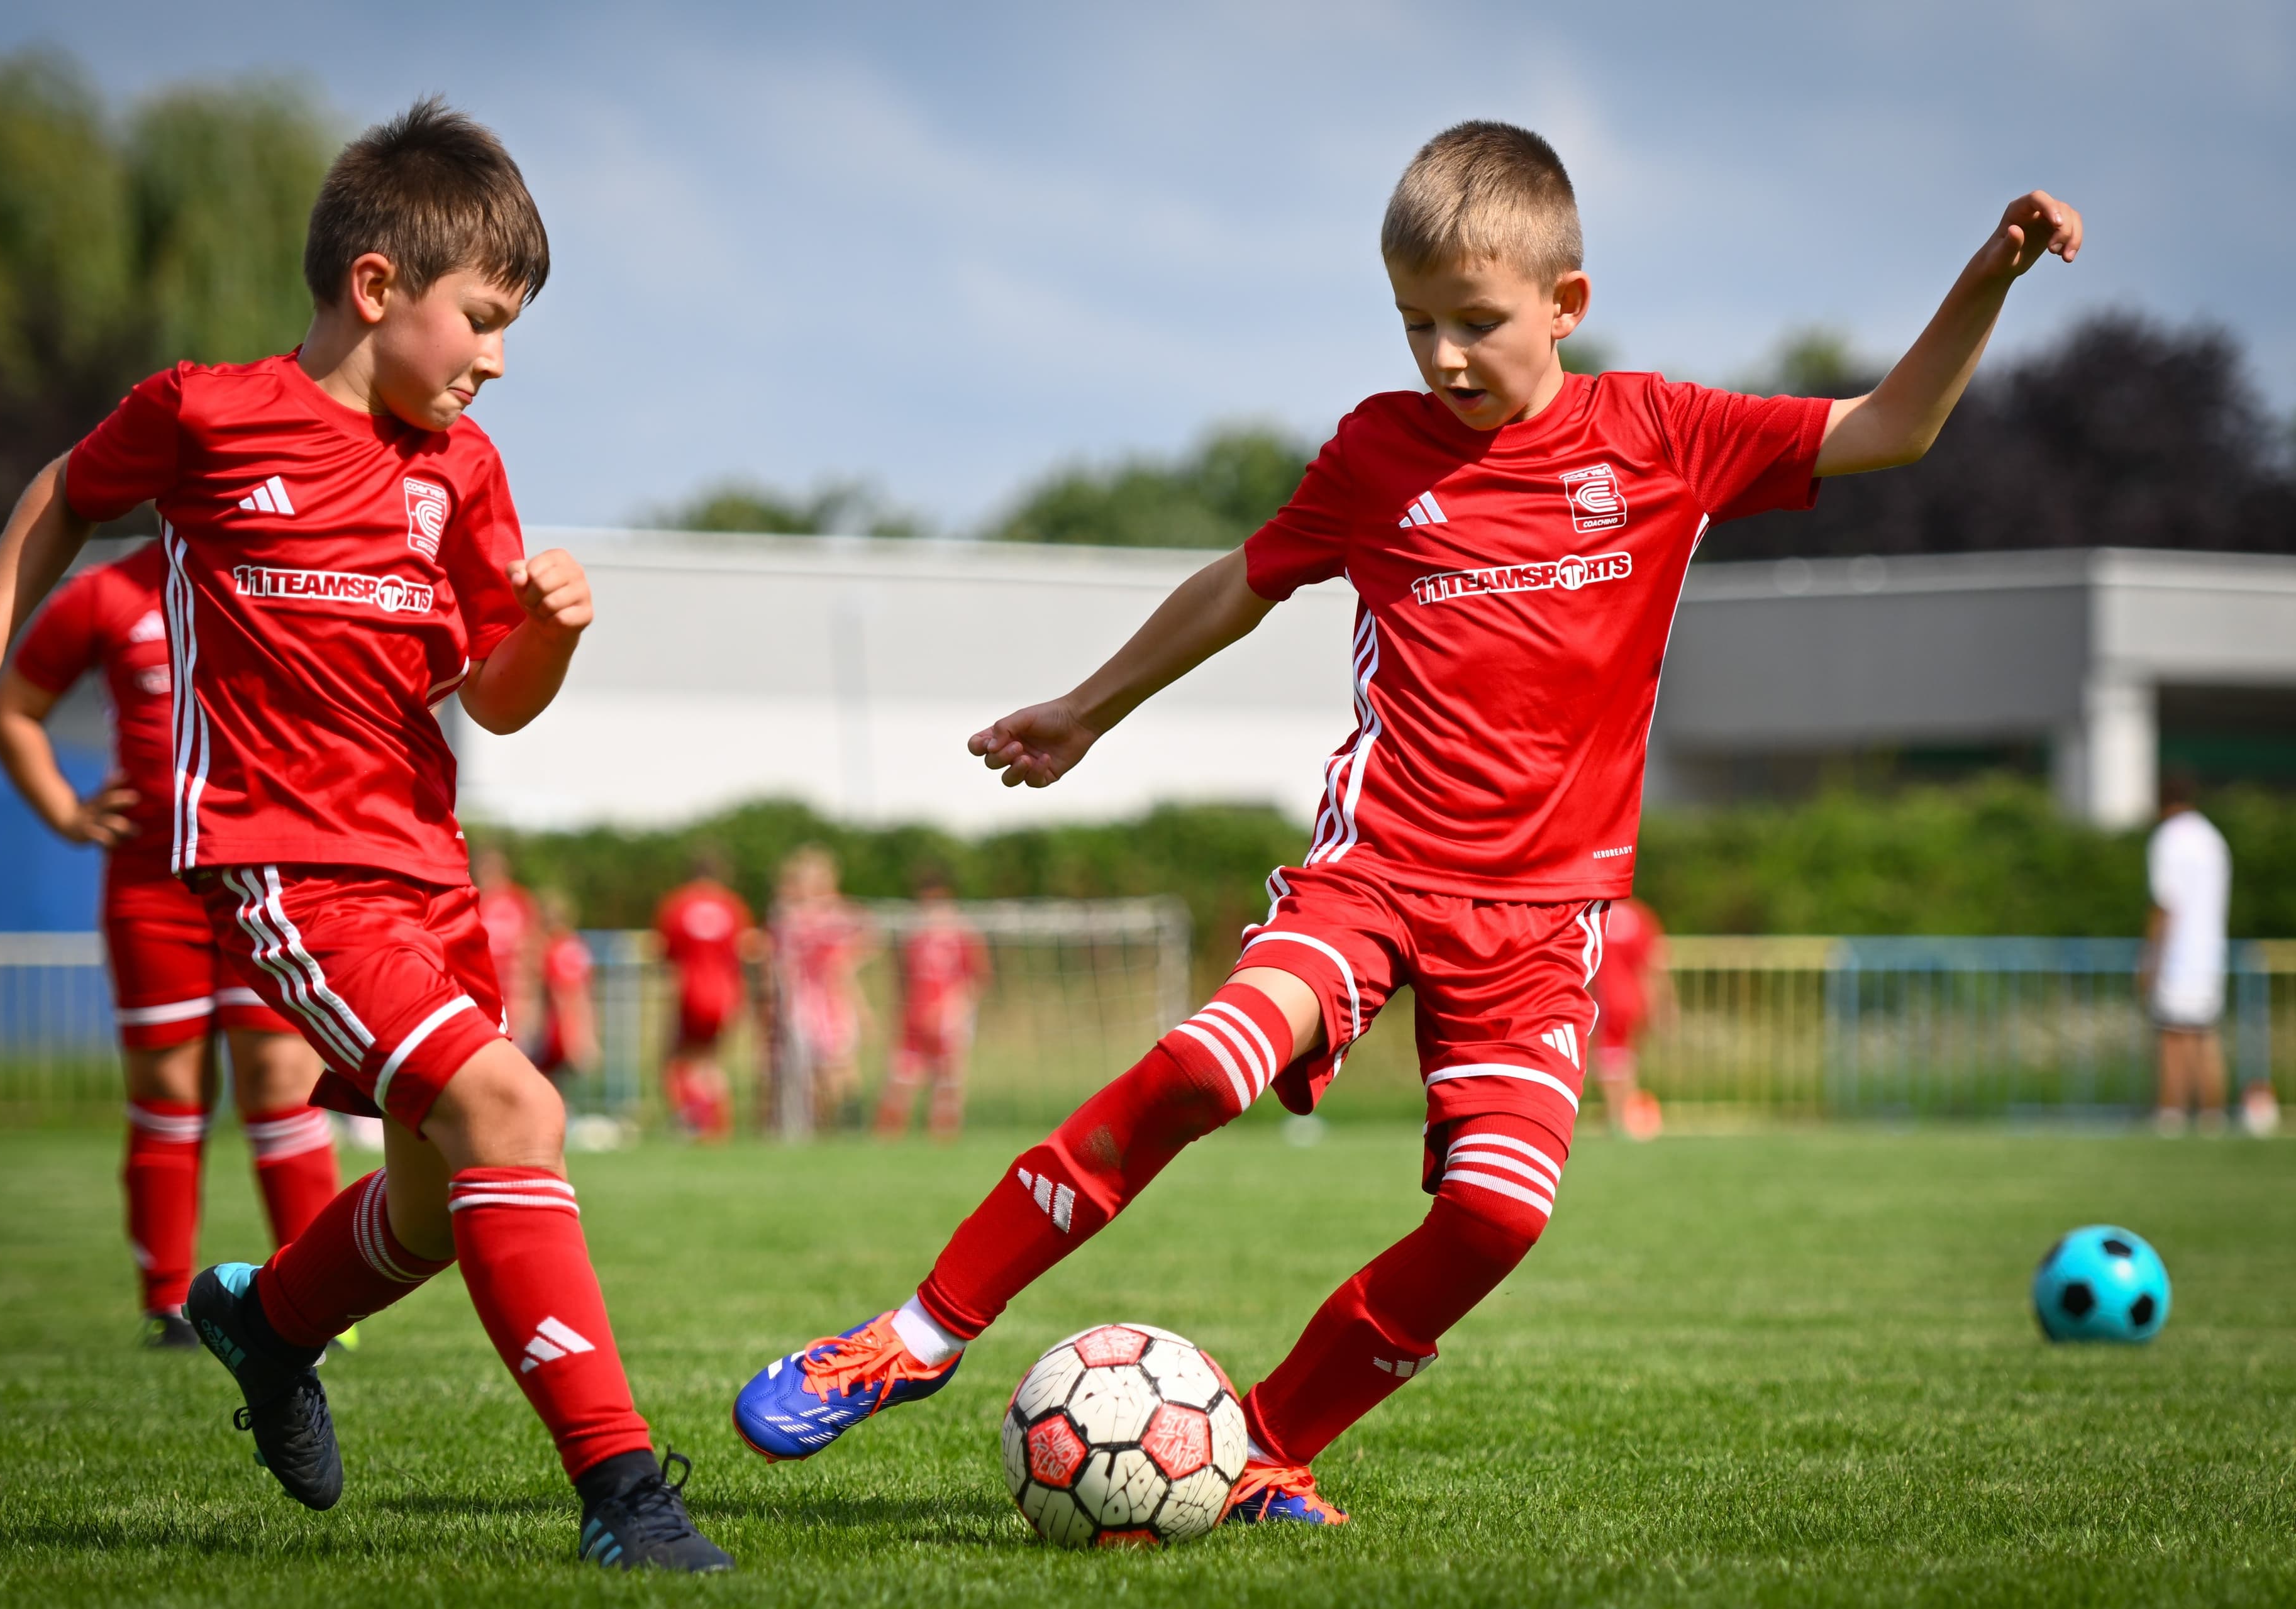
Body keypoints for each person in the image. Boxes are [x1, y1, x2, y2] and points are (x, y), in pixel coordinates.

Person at [732, 121, 2080, 1522]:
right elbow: (1242, 580)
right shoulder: (1380, 450)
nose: (1443, 354)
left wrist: (1990, 272)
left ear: (1566, 302)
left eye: (1474, 321)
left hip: (1545, 920)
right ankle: (917, 1333)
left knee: (1497, 1214)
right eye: (1414, 321)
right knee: (1202, 1069)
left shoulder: (1666, 434)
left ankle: (1265, 1444)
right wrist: (1087, 708)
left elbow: (1894, 426)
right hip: (1374, 875)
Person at [0, 100, 729, 1572]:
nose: (496, 360)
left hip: (431, 873)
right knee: (516, 1115)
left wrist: (551, 634)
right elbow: (61, 495)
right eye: (483, 319)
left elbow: (497, 696)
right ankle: (623, 1494)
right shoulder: (207, 414)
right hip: (287, 867)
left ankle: (267, 1321)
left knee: (433, 1203)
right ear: (375, 286)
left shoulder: (464, 471)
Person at [0, 543, 340, 1346]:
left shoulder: (290, 572)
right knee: (168, 1091)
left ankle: (318, 1302)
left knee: (283, 1081)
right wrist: (67, 812)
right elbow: (13, 710)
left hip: (269, 880)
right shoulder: (105, 593)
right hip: (152, 891)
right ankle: (167, 1306)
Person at [2143, 771, 2236, 1136]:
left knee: (2172, 1036)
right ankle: (2213, 1117)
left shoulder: (2170, 838)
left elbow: (2166, 904)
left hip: (2178, 955)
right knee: (2205, 1036)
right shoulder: (2213, 838)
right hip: (2211, 953)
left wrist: (2151, 958)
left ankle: (2172, 1114)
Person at [875, 870, 989, 1141]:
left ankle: (943, 1142)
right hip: (914, 1019)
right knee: (900, 1081)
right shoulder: (911, 932)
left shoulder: (963, 931)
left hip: (948, 1020)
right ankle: (886, 1141)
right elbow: (901, 978)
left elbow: (978, 977)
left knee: (948, 1083)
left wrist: (956, 1007)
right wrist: (898, 1012)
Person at [652, 852, 760, 1139]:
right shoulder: (733, 905)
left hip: (692, 992)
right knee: (710, 1062)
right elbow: (747, 952)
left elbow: (665, 955)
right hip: (726, 993)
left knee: (675, 1061)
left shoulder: (677, 904)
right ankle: (717, 1127)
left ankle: (695, 1123)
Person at [766, 844, 872, 1132]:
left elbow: (861, 946)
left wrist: (850, 974)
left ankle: (850, 1126)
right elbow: (780, 963)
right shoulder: (788, 918)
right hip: (802, 1004)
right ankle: (823, 1128)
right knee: (812, 1074)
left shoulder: (839, 915)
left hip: (833, 1004)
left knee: (841, 1066)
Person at [1589, 897, 1670, 1141]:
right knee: (1625, 1056)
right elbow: (1654, 964)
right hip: (1636, 998)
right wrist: (1663, 1003)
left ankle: (1619, 1116)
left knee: (1608, 1059)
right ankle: (1626, 1113)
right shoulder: (1639, 915)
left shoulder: (1596, 913)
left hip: (1607, 997)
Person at [474, 846, 543, 1054]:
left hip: (515, 989)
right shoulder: (474, 900)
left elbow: (534, 943)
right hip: (485, 986)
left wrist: (530, 989)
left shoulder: (519, 900)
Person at [533, 889, 600, 1092]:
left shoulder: (552, 950)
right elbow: (586, 995)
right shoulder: (579, 947)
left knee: (544, 1087)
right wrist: (589, 1035)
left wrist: (571, 1040)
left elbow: (561, 995)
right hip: (575, 1028)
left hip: (557, 1031)